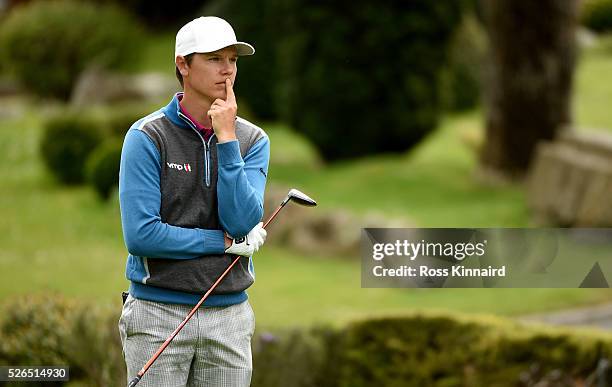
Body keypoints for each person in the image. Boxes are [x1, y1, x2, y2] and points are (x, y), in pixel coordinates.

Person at [118, 16, 269, 386]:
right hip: (157, 313)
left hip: (229, 318)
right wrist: (218, 243)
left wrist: (228, 140)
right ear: (183, 65)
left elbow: (240, 223)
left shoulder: (252, 140)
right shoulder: (147, 136)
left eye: (232, 60)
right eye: (215, 59)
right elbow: (142, 236)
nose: (228, 70)